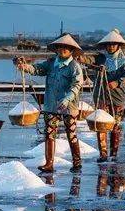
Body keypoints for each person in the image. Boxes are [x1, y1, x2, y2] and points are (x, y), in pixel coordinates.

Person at [14, 33, 85, 173]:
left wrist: (67, 99)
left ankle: (77, 162)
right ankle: (49, 163)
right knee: (49, 133)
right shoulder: (52, 63)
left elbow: (77, 85)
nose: (62, 50)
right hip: (51, 105)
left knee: (71, 134)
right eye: (60, 47)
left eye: (66, 48)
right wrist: (24, 66)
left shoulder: (74, 67)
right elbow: (37, 69)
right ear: (57, 49)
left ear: (71, 50)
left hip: (68, 106)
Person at [84, 29, 125, 162]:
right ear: (105, 46)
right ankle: (103, 154)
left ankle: (114, 154)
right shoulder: (100, 58)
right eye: (109, 44)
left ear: (118, 46)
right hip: (101, 96)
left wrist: (117, 82)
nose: (111, 46)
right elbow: (88, 60)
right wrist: (79, 57)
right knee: (101, 125)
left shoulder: (124, 61)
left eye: (114, 44)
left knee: (115, 126)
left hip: (117, 97)